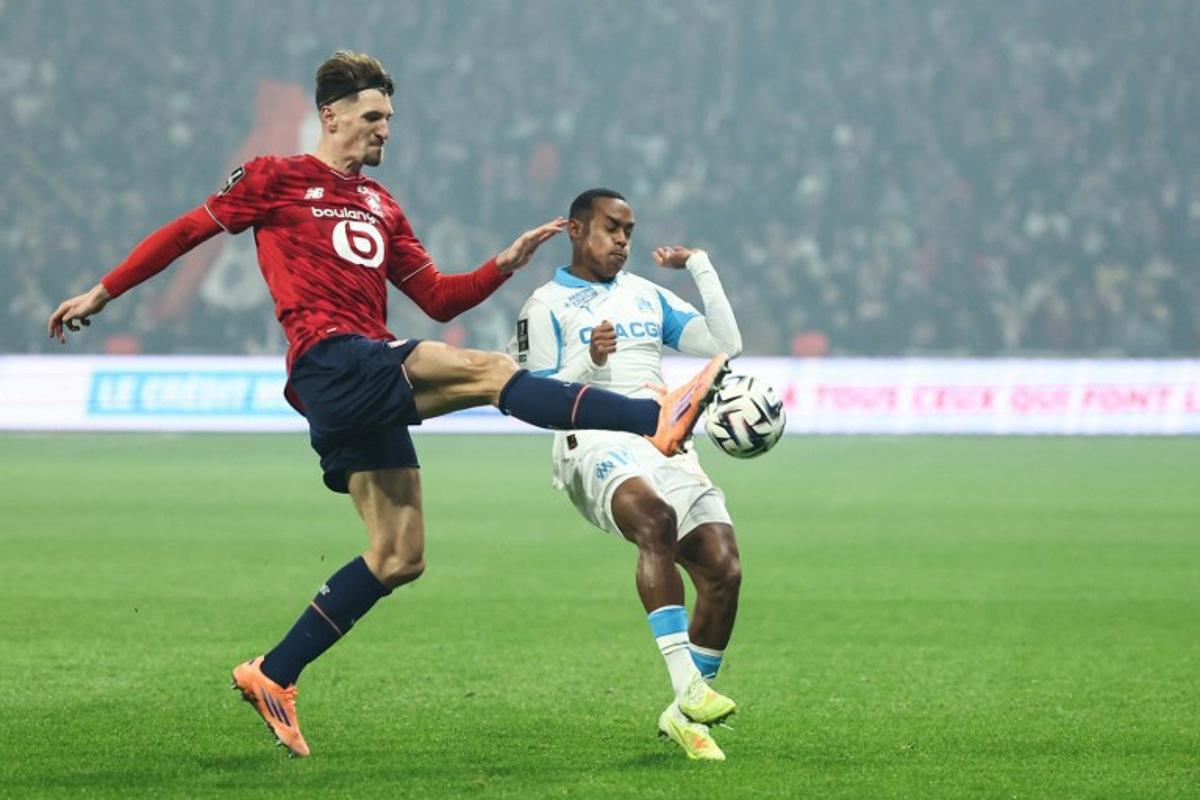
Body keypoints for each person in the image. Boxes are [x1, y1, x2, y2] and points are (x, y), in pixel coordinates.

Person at [46, 53, 729, 758]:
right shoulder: (274, 178)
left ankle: (274, 673)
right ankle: (654, 417)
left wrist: (501, 265)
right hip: (330, 358)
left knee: (399, 555)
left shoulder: (382, 205)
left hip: (363, 378)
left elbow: (436, 295)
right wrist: (104, 291)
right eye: (373, 118)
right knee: (491, 371)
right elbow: (186, 231)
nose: (385, 131)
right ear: (332, 115)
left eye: (390, 121)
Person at [509, 188, 744, 761]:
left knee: (723, 569)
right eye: (611, 228)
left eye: (629, 232)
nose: (622, 241)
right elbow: (528, 397)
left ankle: (684, 717)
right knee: (655, 521)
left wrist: (700, 266)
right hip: (589, 441)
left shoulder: (646, 296)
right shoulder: (543, 306)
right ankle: (687, 684)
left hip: (660, 438)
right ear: (576, 229)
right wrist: (590, 359)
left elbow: (726, 347)